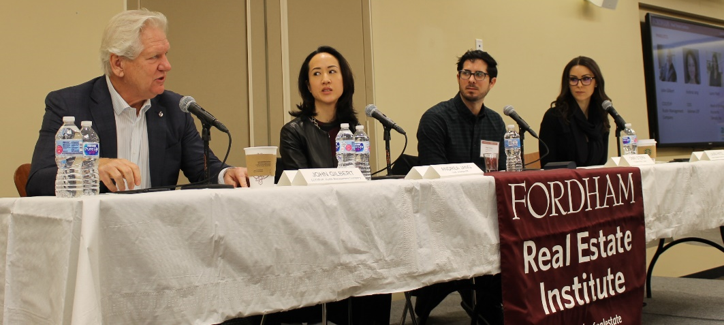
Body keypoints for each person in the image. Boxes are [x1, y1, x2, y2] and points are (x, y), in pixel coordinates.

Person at [26, 9, 249, 196]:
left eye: (166, 54)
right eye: (154, 57)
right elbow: (38, 182)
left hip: (156, 234)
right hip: (95, 236)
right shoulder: (69, 105)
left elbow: (204, 170)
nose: (167, 65)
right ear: (118, 64)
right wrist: (92, 167)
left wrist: (226, 174)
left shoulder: (175, 108)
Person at [274, 45, 391, 325]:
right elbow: (301, 191)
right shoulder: (293, 132)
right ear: (308, 85)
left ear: (344, 80)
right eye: (317, 74)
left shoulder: (354, 130)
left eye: (331, 72)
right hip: (313, 232)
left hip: (353, 229)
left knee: (380, 267)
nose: (325, 79)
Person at [414, 49, 505, 325]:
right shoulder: (436, 119)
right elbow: (435, 181)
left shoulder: (497, 123)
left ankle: (488, 303)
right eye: (466, 73)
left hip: (485, 219)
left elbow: (500, 175)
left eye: (479, 74)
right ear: (458, 77)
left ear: (492, 82)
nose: (472, 79)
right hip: (444, 222)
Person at [538, 56, 611, 167]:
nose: (579, 85)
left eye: (586, 79)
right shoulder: (554, 117)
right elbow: (548, 166)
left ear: (596, 82)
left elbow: (602, 165)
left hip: (593, 182)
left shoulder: (601, 116)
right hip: (563, 183)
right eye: (573, 79)